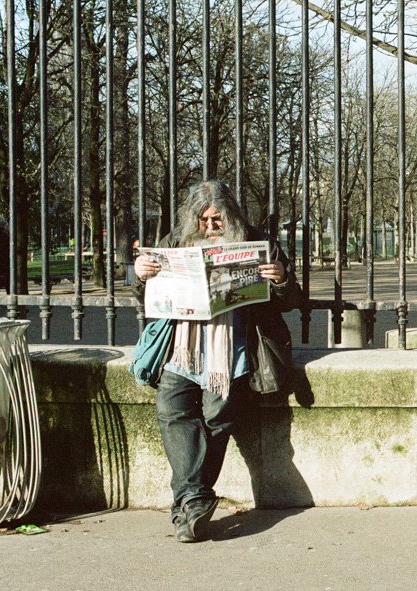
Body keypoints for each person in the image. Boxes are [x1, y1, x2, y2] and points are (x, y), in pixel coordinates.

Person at [131, 180, 300, 543]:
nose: (210, 227)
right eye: (204, 220)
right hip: (181, 349)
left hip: (232, 351)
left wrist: (281, 279)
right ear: (192, 219)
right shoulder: (173, 242)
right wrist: (140, 276)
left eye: (218, 220)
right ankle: (194, 501)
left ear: (232, 216)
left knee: (216, 419)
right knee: (171, 409)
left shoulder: (260, 243)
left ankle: (188, 504)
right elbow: (146, 295)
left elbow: (290, 301)